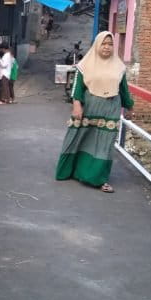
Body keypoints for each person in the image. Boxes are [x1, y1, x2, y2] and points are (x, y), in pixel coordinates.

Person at [55, 31, 134, 193]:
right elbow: (77, 87)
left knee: (104, 144)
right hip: (89, 108)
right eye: (103, 44)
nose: (107, 47)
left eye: (110, 44)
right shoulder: (85, 65)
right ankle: (73, 171)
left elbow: (123, 90)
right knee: (80, 139)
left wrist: (129, 107)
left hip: (110, 109)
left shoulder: (119, 67)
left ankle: (99, 179)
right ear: (97, 45)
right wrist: (77, 105)